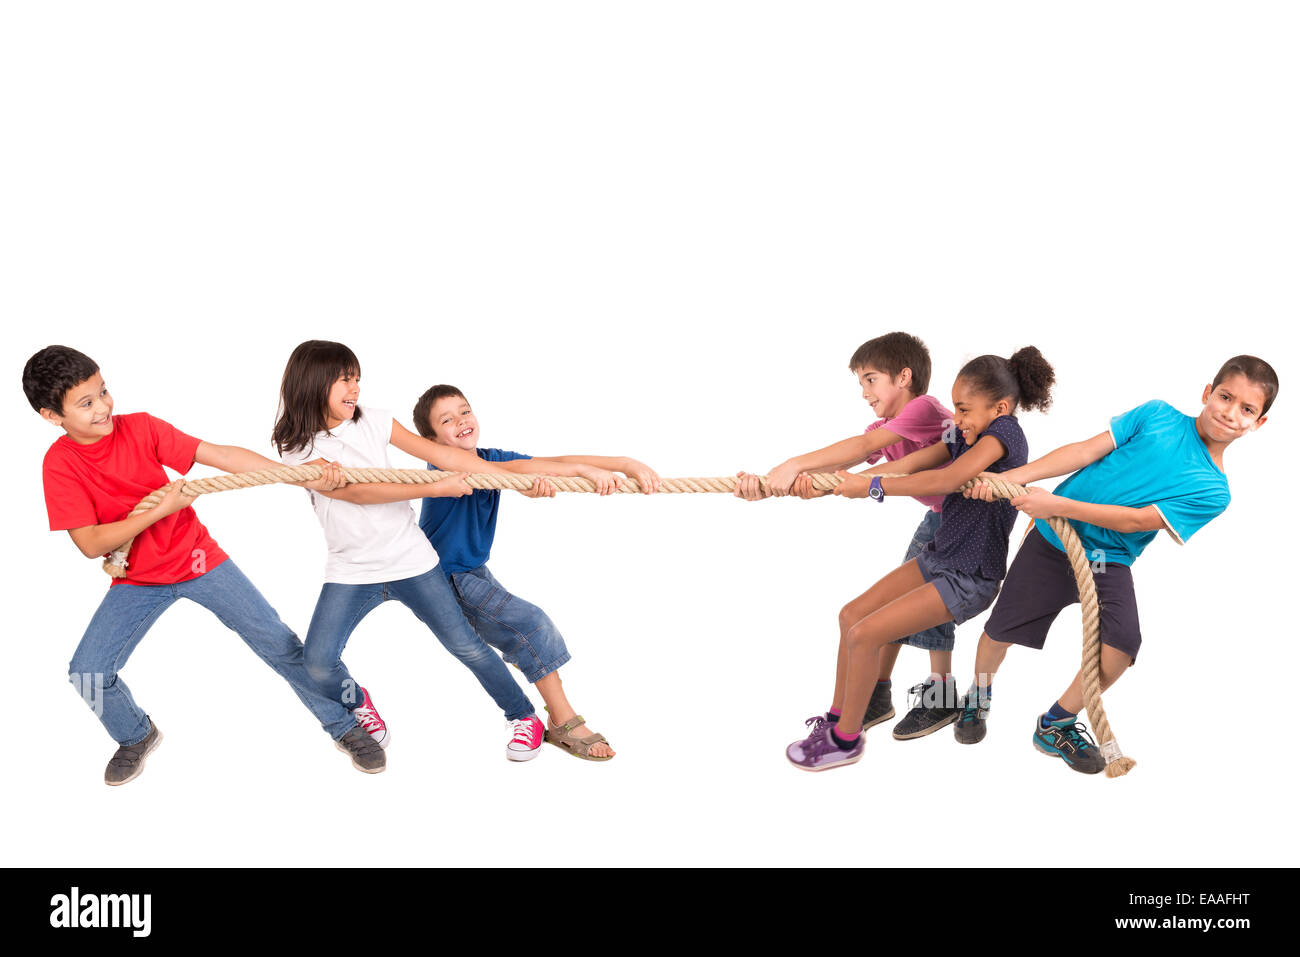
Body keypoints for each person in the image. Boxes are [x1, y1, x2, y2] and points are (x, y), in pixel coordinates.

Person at [24, 344, 383, 783]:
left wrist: (298, 472)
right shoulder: (59, 465)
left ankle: (345, 725)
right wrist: (159, 508)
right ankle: (135, 734)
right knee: (87, 672)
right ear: (51, 416)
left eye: (103, 391)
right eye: (86, 403)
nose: (103, 407)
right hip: (137, 579)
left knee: (280, 645)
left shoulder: (140, 428)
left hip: (197, 560)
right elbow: (90, 542)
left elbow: (223, 457)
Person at [953, 355, 1278, 774]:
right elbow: (1085, 451)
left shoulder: (1214, 490)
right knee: (999, 632)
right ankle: (977, 698)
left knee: (1121, 649)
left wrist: (1056, 503)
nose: (1230, 413)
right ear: (1207, 393)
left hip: (1108, 560)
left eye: (1246, 409)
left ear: (1259, 422)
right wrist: (1018, 476)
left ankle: (1056, 724)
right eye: (1225, 396)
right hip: (1052, 541)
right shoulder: (1157, 414)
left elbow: (1136, 520)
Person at [273, 340, 553, 762]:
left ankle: (523, 715)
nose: (356, 390)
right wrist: (435, 486)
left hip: (413, 561)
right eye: (346, 380)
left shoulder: (376, 421)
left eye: (358, 380)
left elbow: (440, 454)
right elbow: (360, 493)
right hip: (351, 570)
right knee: (317, 662)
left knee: (467, 646)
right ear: (314, 383)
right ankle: (356, 700)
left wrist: (515, 478)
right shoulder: (295, 446)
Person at [785, 347, 1056, 772]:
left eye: (964, 409)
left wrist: (871, 487)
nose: (957, 417)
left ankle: (846, 740)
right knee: (850, 615)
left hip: (969, 576)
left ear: (1000, 407)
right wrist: (845, 482)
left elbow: (949, 479)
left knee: (865, 635)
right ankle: (838, 719)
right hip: (940, 555)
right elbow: (919, 462)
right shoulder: (966, 434)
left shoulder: (1005, 433)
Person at [412, 383, 662, 760]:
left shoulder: (489, 457)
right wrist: (535, 476)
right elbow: (512, 470)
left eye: (465, 411)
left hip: (472, 572)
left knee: (523, 632)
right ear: (431, 440)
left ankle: (550, 719)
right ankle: (564, 723)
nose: (462, 421)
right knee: (532, 624)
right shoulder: (442, 466)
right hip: (446, 578)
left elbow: (550, 460)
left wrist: (623, 464)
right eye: (447, 420)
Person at [735, 332, 963, 738]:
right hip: (939, 514)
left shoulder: (924, 408)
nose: (863, 392)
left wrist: (792, 465)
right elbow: (853, 465)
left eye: (870, 379)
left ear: (904, 377)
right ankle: (878, 691)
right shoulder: (889, 426)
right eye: (861, 382)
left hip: (962, 519)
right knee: (892, 604)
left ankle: (941, 695)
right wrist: (780, 486)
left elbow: (863, 446)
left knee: (927, 603)